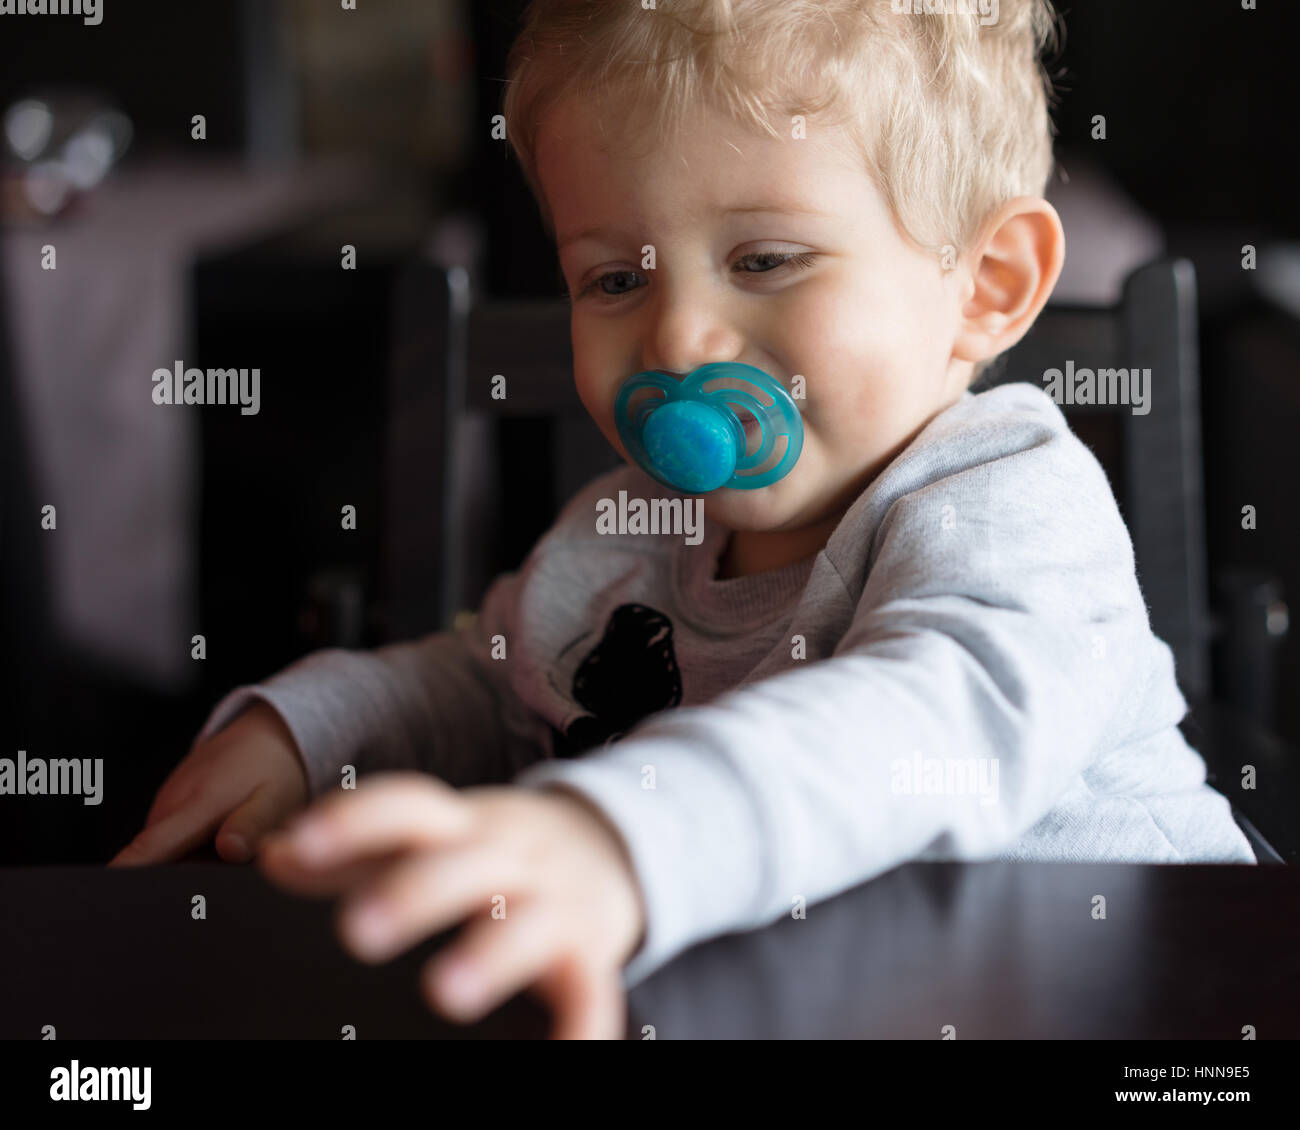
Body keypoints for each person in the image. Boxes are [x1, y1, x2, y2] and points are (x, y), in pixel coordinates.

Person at [110, 0, 1255, 1039]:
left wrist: (618, 839)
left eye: (764, 259)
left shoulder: (1008, 502)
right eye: (614, 280)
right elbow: (487, 675)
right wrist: (306, 732)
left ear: (985, 283)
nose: (675, 341)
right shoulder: (631, 528)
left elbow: (921, 721)